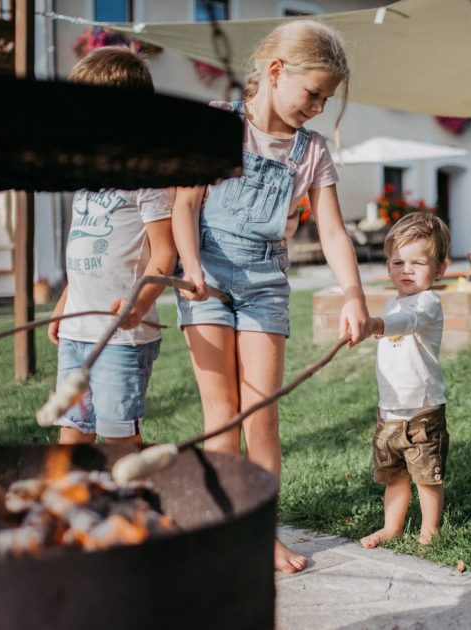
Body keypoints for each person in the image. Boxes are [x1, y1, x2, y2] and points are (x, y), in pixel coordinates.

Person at [173, 19, 369, 573]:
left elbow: (332, 231)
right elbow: (186, 204)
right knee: (222, 414)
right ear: (276, 72)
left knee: (261, 416)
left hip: (264, 286)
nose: (318, 107)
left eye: (327, 100)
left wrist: (353, 294)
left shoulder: (312, 152)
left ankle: (261, 531)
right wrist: (190, 268)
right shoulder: (217, 126)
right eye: (313, 93)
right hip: (205, 278)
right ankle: (222, 529)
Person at [47, 46, 176, 445]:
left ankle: (137, 505)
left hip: (122, 336)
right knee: (72, 435)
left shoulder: (148, 175)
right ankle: (75, 508)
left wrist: (140, 302)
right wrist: (63, 303)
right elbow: (83, 248)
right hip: (77, 330)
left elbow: (165, 253)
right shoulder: (87, 176)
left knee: (118, 440)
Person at [360, 212, 450, 548]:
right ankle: (391, 527)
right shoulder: (391, 302)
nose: (406, 269)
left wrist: (378, 325)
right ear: (387, 268)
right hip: (390, 409)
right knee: (394, 476)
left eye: (417, 262)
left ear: (439, 269)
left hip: (422, 410)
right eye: (398, 262)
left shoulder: (428, 302)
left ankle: (429, 531)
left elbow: (409, 322)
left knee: (426, 475)